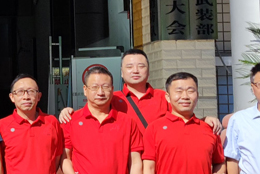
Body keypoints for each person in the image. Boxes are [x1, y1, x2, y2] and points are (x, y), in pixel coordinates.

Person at [58, 48, 221, 134]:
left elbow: (184, 118)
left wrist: (205, 119)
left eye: (141, 66)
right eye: (129, 67)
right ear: (121, 73)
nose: (135, 71)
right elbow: (91, 114)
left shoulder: (163, 97)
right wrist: (68, 111)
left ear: (148, 71)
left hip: (158, 162)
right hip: (126, 162)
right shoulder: (111, 98)